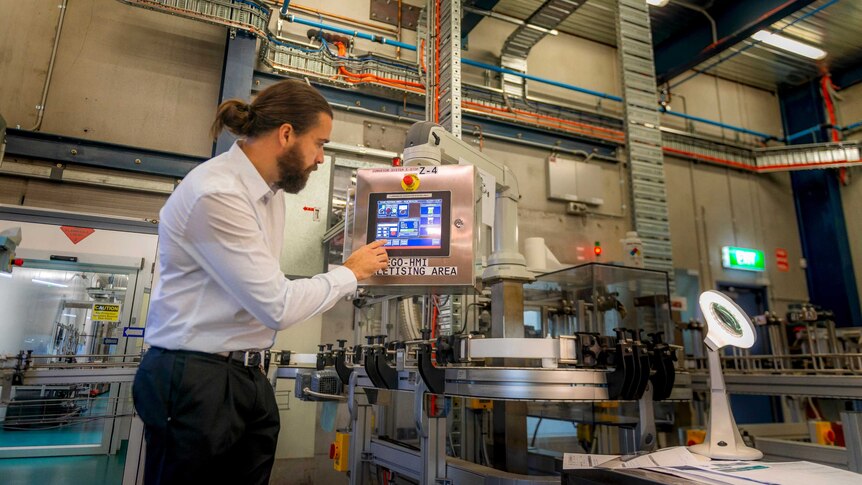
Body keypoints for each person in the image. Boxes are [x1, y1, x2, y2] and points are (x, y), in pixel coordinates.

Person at [132, 79, 388, 484]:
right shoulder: (217, 193)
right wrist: (350, 273)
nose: (321, 158)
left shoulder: (269, 197)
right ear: (286, 134)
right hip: (196, 381)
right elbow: (276, 304)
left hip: (245, 375)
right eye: (319, 143)